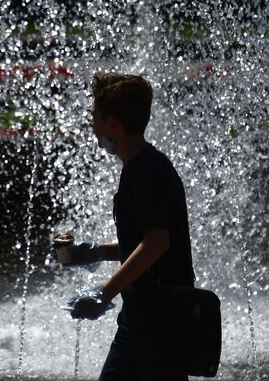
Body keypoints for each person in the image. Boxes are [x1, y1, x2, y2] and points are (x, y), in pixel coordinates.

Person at [54, 73, 195, 380]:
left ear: (113, 125)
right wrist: (90, 253)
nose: (92, 126)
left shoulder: (143, 170)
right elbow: (143, 243)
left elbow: (158, 242)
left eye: (95, 118)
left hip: (158, 319)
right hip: (140, 317)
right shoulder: (145, 165)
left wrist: (104, 293)